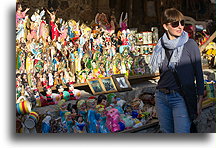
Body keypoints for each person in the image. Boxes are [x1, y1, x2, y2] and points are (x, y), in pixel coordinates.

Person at [150, 8, 204, 133]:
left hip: (180, 97)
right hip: (161, 97)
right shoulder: (160, 47)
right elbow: (162, 74)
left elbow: (199, 74)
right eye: (175, 24)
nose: (180, 27)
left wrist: (199, 100)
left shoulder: (190, 45)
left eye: (182, 23)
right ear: (165, 26)